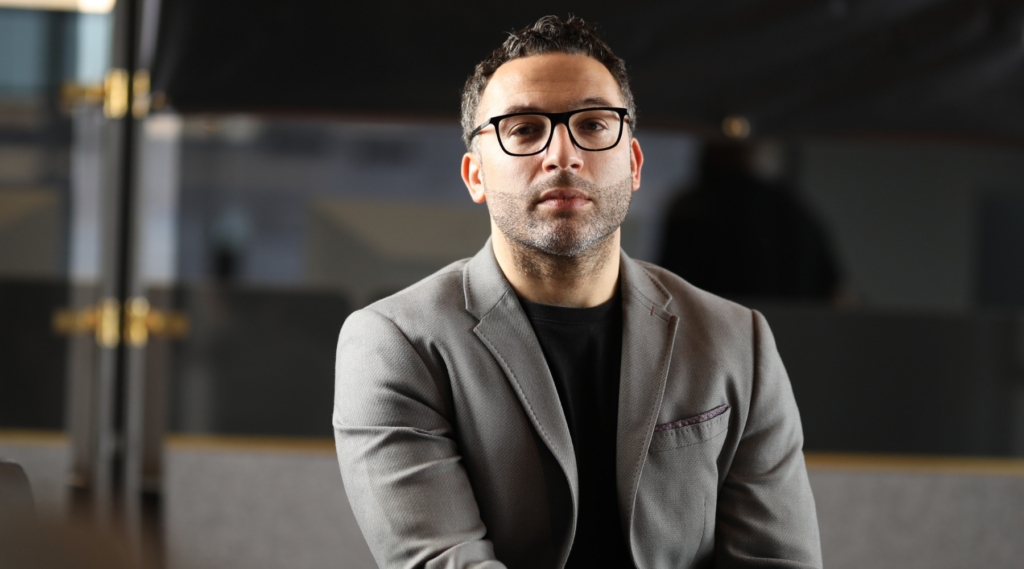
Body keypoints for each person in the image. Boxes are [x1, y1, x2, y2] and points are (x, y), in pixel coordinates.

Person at [334, 15, 822, 569]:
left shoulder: (737, 341)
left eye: (592, 125)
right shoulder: (395, 346)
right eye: (524, 129)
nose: (562, 155)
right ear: (475, 175)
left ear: (633, 164)